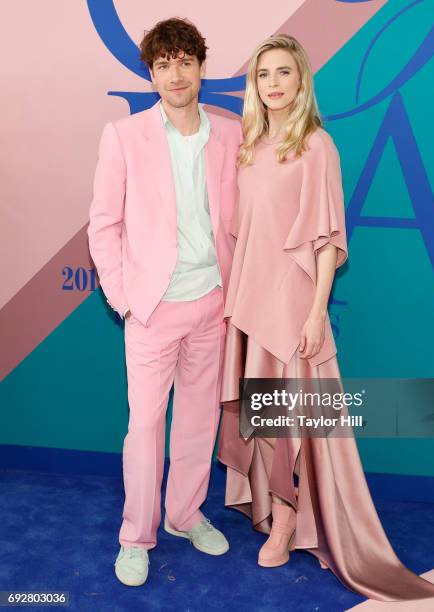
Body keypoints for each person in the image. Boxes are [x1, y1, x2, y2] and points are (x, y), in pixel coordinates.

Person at [217, 34, 434, 602]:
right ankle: (272, 507)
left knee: (293, 416)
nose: (272, 83)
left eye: (283, 73)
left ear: (301, 83)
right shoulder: (249, 146)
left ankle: (293, 520)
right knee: (263, 413)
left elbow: (326, 240)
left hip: (292, 301)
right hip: (250, 298)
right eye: (263, 74)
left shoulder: (316, 146)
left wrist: (316, 312)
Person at [88, 18, 241, 587]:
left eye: (184, 62)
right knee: (146, 427)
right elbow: (103, 225)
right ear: (150, 75)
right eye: (163, 65)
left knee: (199, 421)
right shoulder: (124, 136)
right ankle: (136, 535)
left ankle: (184, 515)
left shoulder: (230, 134)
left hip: (211, 303)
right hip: (151, 309)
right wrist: (126, 300)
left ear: (201, 68)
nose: (174, 75)